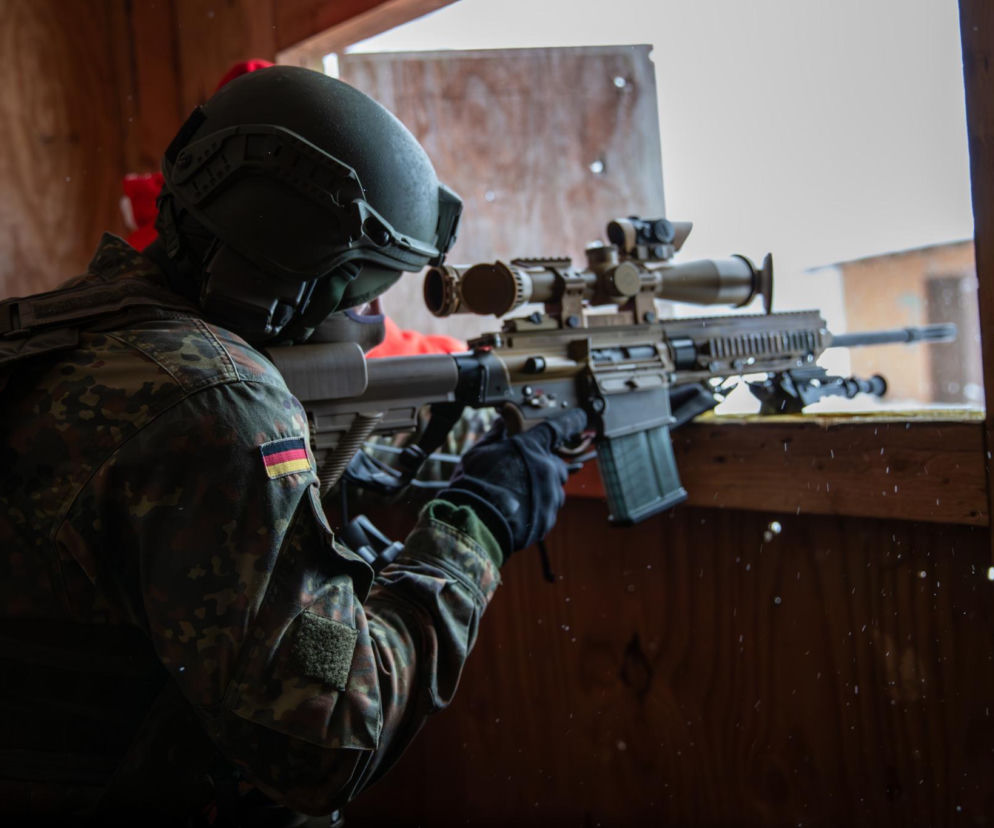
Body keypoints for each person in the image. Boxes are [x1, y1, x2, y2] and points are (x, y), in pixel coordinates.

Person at [0, 66, 584, 825]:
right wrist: (476, 523)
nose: (373, 313)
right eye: (364, 288)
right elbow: (330, 739)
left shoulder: (53, 332)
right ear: (303, 274)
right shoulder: (217, 403)